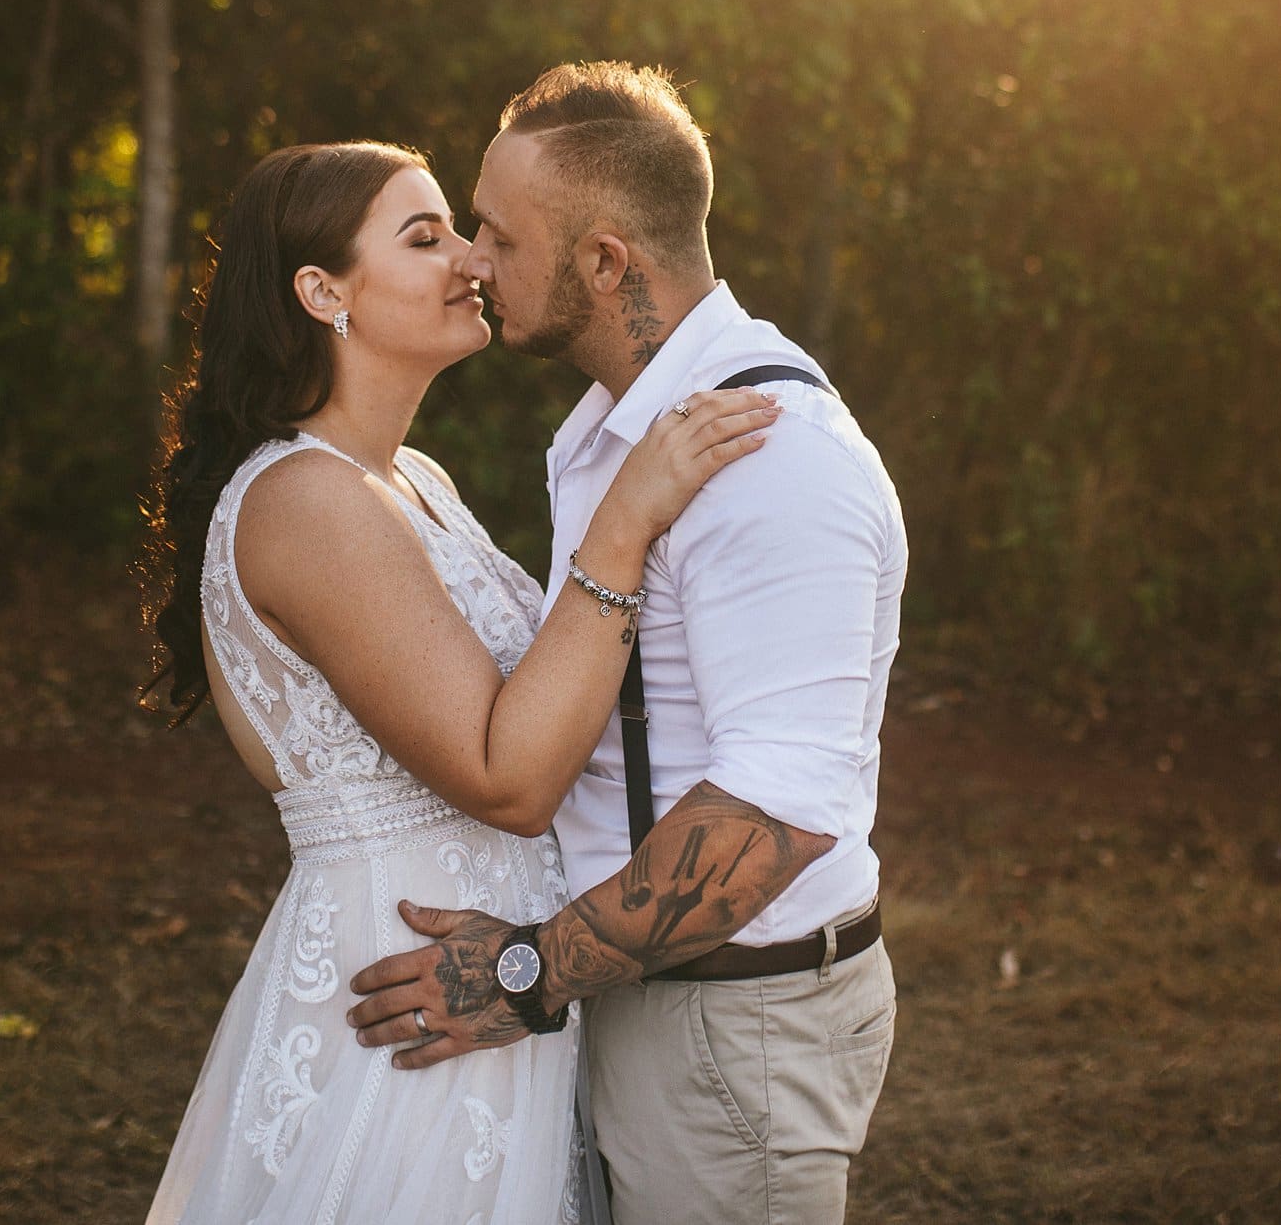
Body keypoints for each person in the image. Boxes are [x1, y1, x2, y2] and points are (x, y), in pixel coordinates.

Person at [139, 137, 784, 1224]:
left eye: (465, 232)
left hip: (494, 988)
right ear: (320, 291)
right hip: (409, 1000)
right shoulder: (304, 499)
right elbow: (505, 774)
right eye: (424, 235)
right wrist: (627, 515)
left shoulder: (409, 481)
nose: (472, 261)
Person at [345, 62, 910, 1225]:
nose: (472, 261)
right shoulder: (617, 433)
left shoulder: (767, 454)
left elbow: (773, 813)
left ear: (605, 262)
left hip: (732, 1025)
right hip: (653, 992)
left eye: (497, 235)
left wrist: (527, 971)